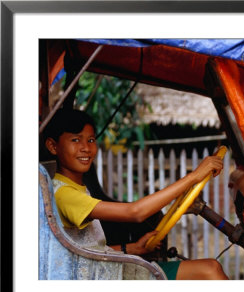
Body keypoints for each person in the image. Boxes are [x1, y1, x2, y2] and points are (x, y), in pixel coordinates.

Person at [42, 108, 229, 280]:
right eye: (75, 140)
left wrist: (132, 248)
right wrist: (194, 177)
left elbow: (86, 250)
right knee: (210, 270)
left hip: (103, 271)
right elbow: (134, 212)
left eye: (90, 140)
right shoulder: (63, 193)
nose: (85, 148)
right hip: (102, 279)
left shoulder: (74, 188)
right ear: (53, 146)